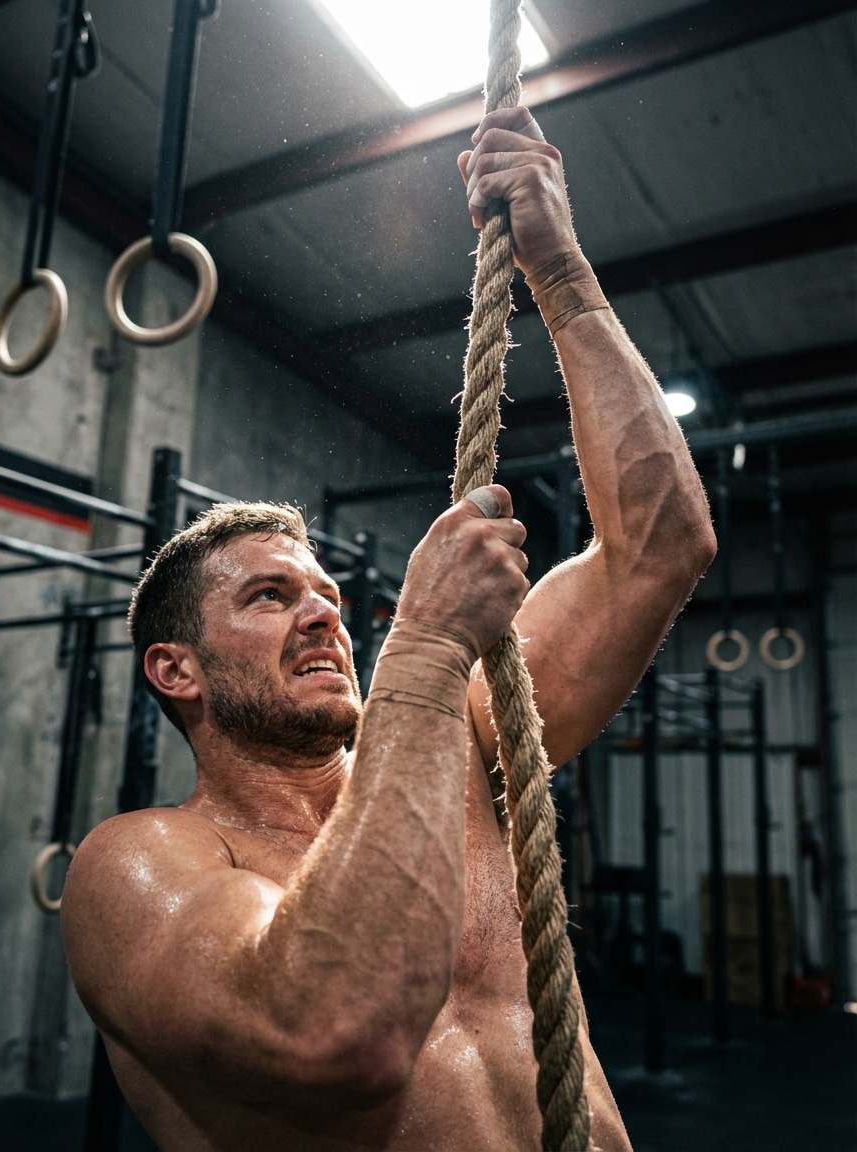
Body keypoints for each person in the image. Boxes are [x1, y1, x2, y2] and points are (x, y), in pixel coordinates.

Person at [61, 107, 716, 1152]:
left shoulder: (452, 748)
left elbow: (659, 543)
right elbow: (333, 1036)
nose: (322, 608)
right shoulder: (140, 867)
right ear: (173, 668)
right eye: (268, 596)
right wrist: (417, 646)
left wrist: (559, 270)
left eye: (323, 593)